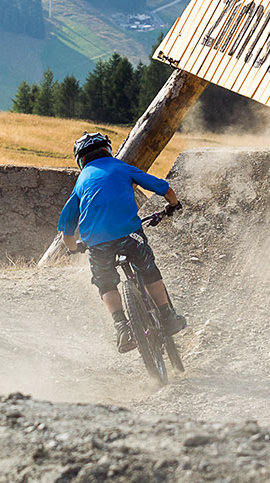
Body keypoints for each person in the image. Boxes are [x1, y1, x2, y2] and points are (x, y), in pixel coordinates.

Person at [57, 131, 186, 353]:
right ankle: (167, 316)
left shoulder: (81, 181)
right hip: (129, 234)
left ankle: (122, 327)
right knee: (148, 270)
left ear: (80, 159)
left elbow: (66, 233)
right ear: (107, 149)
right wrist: (173, 205)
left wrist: (75, 248)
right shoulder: (120, 167)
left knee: (105, 283)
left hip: (98, 244)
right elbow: (164, 188)